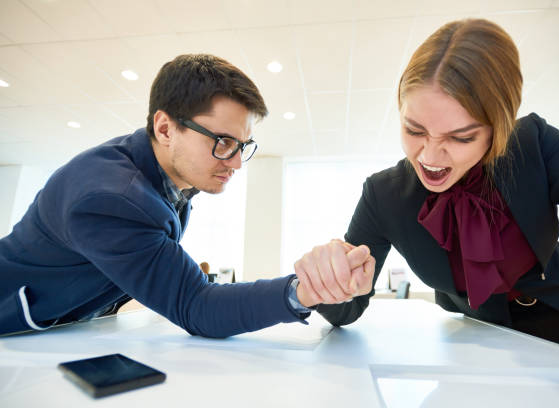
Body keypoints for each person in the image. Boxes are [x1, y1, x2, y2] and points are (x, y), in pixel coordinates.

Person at [294, 19, 559, 358]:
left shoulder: (533, 143)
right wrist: (329, 283)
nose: (430, 157)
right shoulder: (382, 195)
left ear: (497, 128)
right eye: (414, 131)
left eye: (461, 137)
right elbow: (348, 308)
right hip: (484, 346)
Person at [0, 54, 372, 338]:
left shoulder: (168, 177)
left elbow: (179, 279)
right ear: (165, 128)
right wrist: (304, 291)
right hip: (13, 329)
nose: (237, 162)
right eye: (224, 142)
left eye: (243, 145)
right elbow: (196, 306)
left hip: (69, 326)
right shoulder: (111, 198)